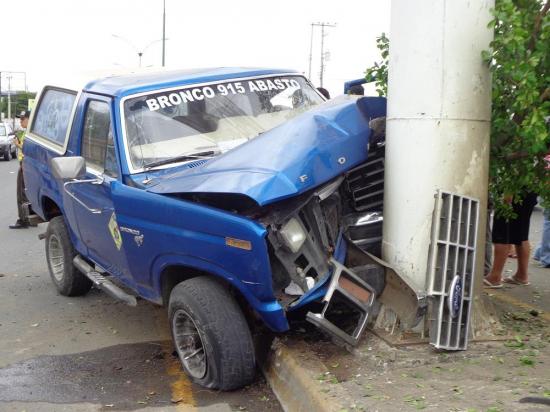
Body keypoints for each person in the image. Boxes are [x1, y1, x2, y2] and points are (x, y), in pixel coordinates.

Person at [484, 192, 538, 287]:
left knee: (502, 233)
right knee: (522, 234)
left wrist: (507, 193)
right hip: (531, 189)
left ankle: (495, 277)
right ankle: (522, 275)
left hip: (513, 190)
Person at [9, 110, 32, 229]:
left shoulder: (29, 133)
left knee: (21, 193)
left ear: (29, 119)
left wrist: (17, 145)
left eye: (23, 119)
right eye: (20, 119)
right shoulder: (30, 132)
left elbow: (28, 149)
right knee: (28, 192)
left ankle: (23, 220)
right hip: (29, 165)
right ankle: (31, 217)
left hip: (25, 164)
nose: (20, 121)